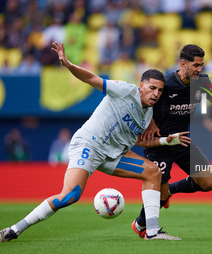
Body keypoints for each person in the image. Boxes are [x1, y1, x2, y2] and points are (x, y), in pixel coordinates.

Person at [0, 42, 191, 242]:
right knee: (70, 195)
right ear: (141, 85)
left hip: (114, 155)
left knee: (153, 172)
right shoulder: (125, 90)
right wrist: (68, 64)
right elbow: (92, 78)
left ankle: (152, 232)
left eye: (160, 91)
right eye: (152, 88)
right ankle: (14, 230)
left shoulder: (147, 114)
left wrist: (165, 141)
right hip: (88, 146)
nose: (156, 94)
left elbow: (140, 142)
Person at [131, 44, 212, 238]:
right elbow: (142, 100)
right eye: (195, 65)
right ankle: (142, 225)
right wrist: (150, 122)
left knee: (208, 183)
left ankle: (169, 191)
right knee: (161, 195)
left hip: (182, 141)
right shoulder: (166, 84)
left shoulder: (202, 81)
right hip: (160, 143)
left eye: (202, 65)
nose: (199, 69)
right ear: (183, 64)